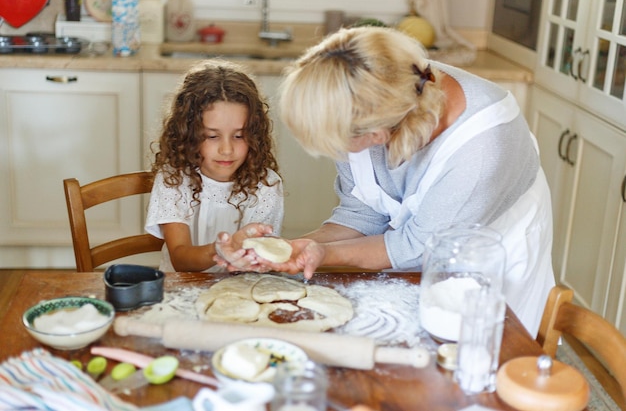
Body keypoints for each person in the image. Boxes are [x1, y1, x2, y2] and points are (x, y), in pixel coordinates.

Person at [218, 27, 555, 337]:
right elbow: (362, 214)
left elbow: (416, 248)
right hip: (421, 251)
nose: (335, 151)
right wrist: (288, 251)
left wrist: (322, 253)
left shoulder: (481, 150)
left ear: (377, 133)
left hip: (490, 254)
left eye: (336, 143)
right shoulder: (368, 98)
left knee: (479, 370)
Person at [145, 60, 284, 272]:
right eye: (212, 136)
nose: (226, 149)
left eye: (239, 135)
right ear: (188, 134)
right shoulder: (173, 180)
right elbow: (181, 259)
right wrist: (221, 249)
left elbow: (258, 261)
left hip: (239, 290)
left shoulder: (266, 185)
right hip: (180, 290)